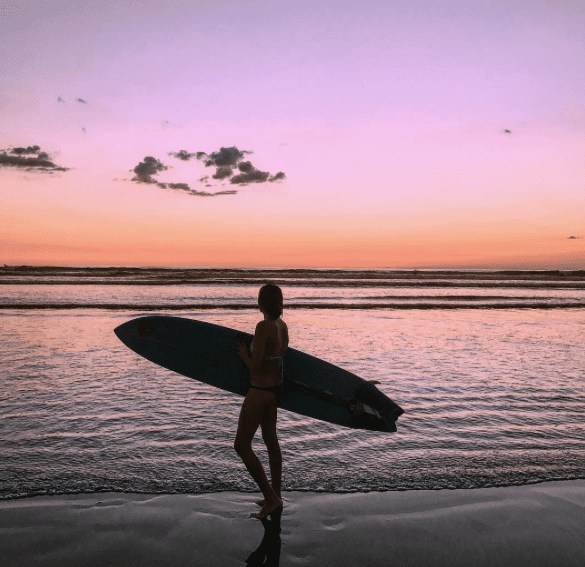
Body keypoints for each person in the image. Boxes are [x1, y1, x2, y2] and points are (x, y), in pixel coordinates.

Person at [236, 283, 288, 520]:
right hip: (274, 391)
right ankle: (275, 494)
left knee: (241, 445)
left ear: (261, 302)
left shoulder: (263, 326)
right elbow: (280, 357)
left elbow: (255, 365)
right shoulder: (282, 326)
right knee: (270, 440)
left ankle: (270, 499)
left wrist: (243, 355)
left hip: (258, 390)